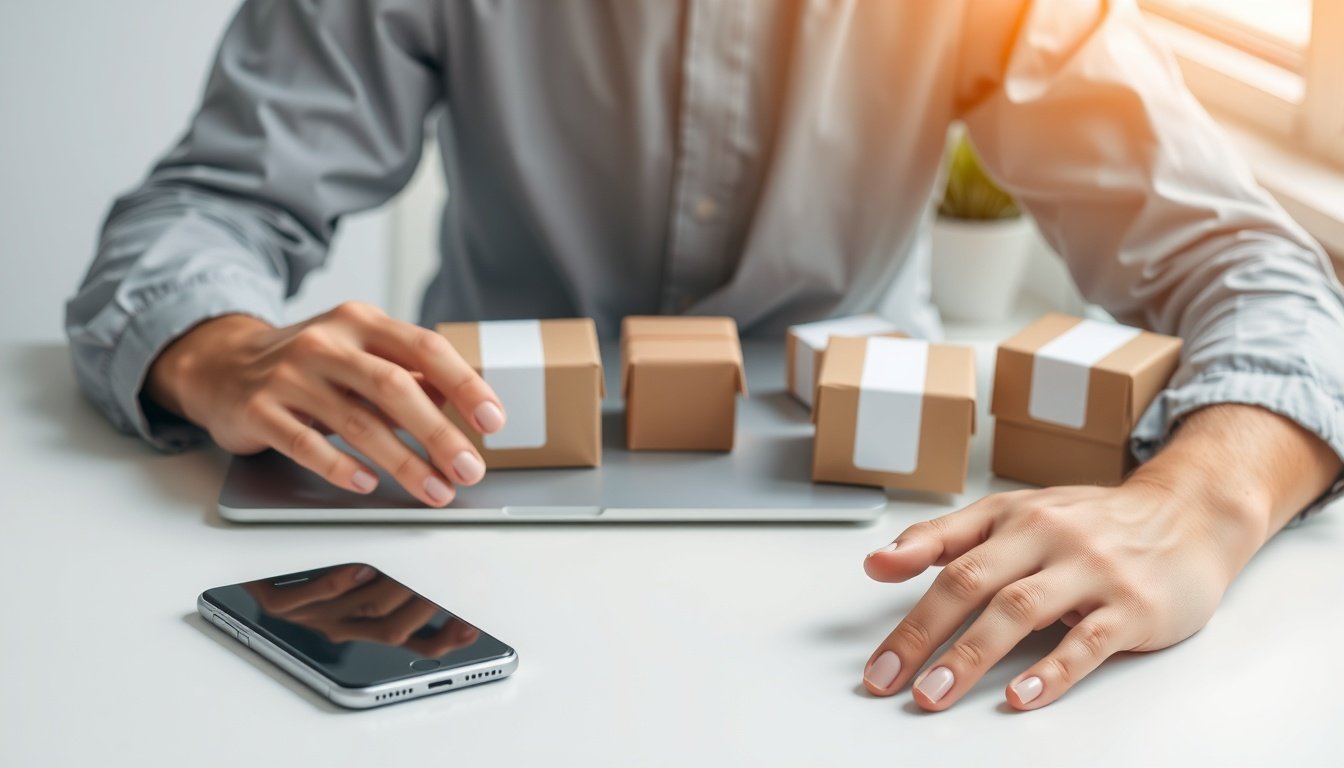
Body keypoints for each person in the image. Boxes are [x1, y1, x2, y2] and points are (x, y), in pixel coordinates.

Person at [67, 1, 1344, 712]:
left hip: (865, 551)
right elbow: (205, 209)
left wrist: (1207, 496)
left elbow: (1252, 268)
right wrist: (215, 343)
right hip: (459, 508)